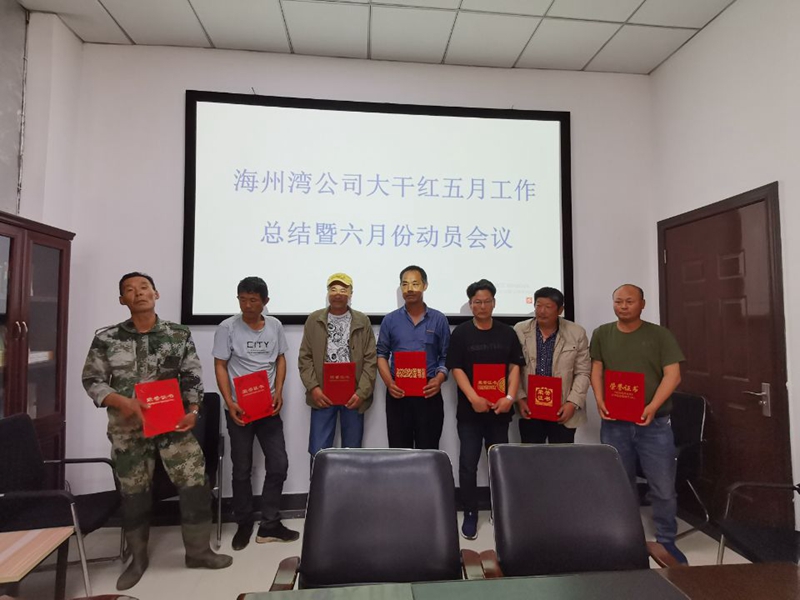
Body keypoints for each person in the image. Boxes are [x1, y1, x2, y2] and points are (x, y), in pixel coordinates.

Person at [82, 272, 232, 591]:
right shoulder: (107, 338)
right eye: (130, 290)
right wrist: (121, 401)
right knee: (134, 494)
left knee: (196, 485)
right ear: (122, 300)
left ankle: (199, 552)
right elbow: (92, 380)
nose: (138, 293)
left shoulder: (177, 334)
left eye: (144, 287)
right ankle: (137, 559)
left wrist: (193, 411)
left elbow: (192, 377)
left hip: (172, 427)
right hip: (128, 431)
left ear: (156, 294)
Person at [589, 284, 687, 565]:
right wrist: (599, 400)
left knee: (663, 486)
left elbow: (673, 375)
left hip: (654, 425)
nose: (623, 306)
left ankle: (666, 540)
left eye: (629, 301)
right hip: (615, 424)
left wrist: (652, 406)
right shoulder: (602, 333)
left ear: (642, 304)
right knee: (619, 484)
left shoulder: (660, 335)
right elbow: (597, 370)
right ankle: (626, 537)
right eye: (618, 301)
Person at [213, 276, 298, 551]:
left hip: (268, 408)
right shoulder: (227, 328)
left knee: (279, 464)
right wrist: (229, 401)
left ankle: (270, 523)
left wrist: (279, 390)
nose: (247, 305)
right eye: (242, 299)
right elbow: (220, 365)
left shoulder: (275, 326)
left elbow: (280, 359)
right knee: (241, 469)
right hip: (239, 410)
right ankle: (244, 522)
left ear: (265, 301)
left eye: (253, 300)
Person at [447, 279, 524, 540]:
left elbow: (515, 366)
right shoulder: (461, 333)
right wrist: (473, 397)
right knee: (468, 464)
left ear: (494, 303)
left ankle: (500, 510)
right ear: (470, 304)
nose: (482, 306)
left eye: (487, 301)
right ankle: (470, 512)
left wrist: (510, 397)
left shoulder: (507, 332)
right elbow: (456, 368)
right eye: (477, 302)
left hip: (500, 411)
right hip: (470, 412)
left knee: (498, 463)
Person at [298, 273, 377, 463]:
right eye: (333, 289)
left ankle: (350, 484)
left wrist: (362, 392)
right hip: (322, 394)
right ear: (327, 293)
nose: (338, 294)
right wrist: (314, 388)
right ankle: (318, 483)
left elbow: (370, 359)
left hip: (354, 395)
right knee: (319, 451)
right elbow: (305, 358)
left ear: (351, 293)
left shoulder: (362, 320)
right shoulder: (314, 319)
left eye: (343, 289)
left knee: (353, 451)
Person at [376, 265, 450, 449]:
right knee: (399, 451)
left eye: (415, 283)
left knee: (428, 450)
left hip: (428, 392)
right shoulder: (390, 320)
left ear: (425, 286)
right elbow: (381, 354)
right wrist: (389, 383)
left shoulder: (439, 319)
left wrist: (439, 379)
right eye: (405, 284)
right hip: (398, 393)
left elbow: (445, 356)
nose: (409, 289)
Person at [513, 287, 590, 443]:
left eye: (548, 307)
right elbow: (513, 368)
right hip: (530, 406)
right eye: (538, 306)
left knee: (561, 456)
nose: (542, 311)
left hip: (562, 407)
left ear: (560, 310)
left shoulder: (576, 333)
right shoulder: (520, 330)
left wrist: (572, 403)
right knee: (531, 455)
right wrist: (520, 398)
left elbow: (583, 372)